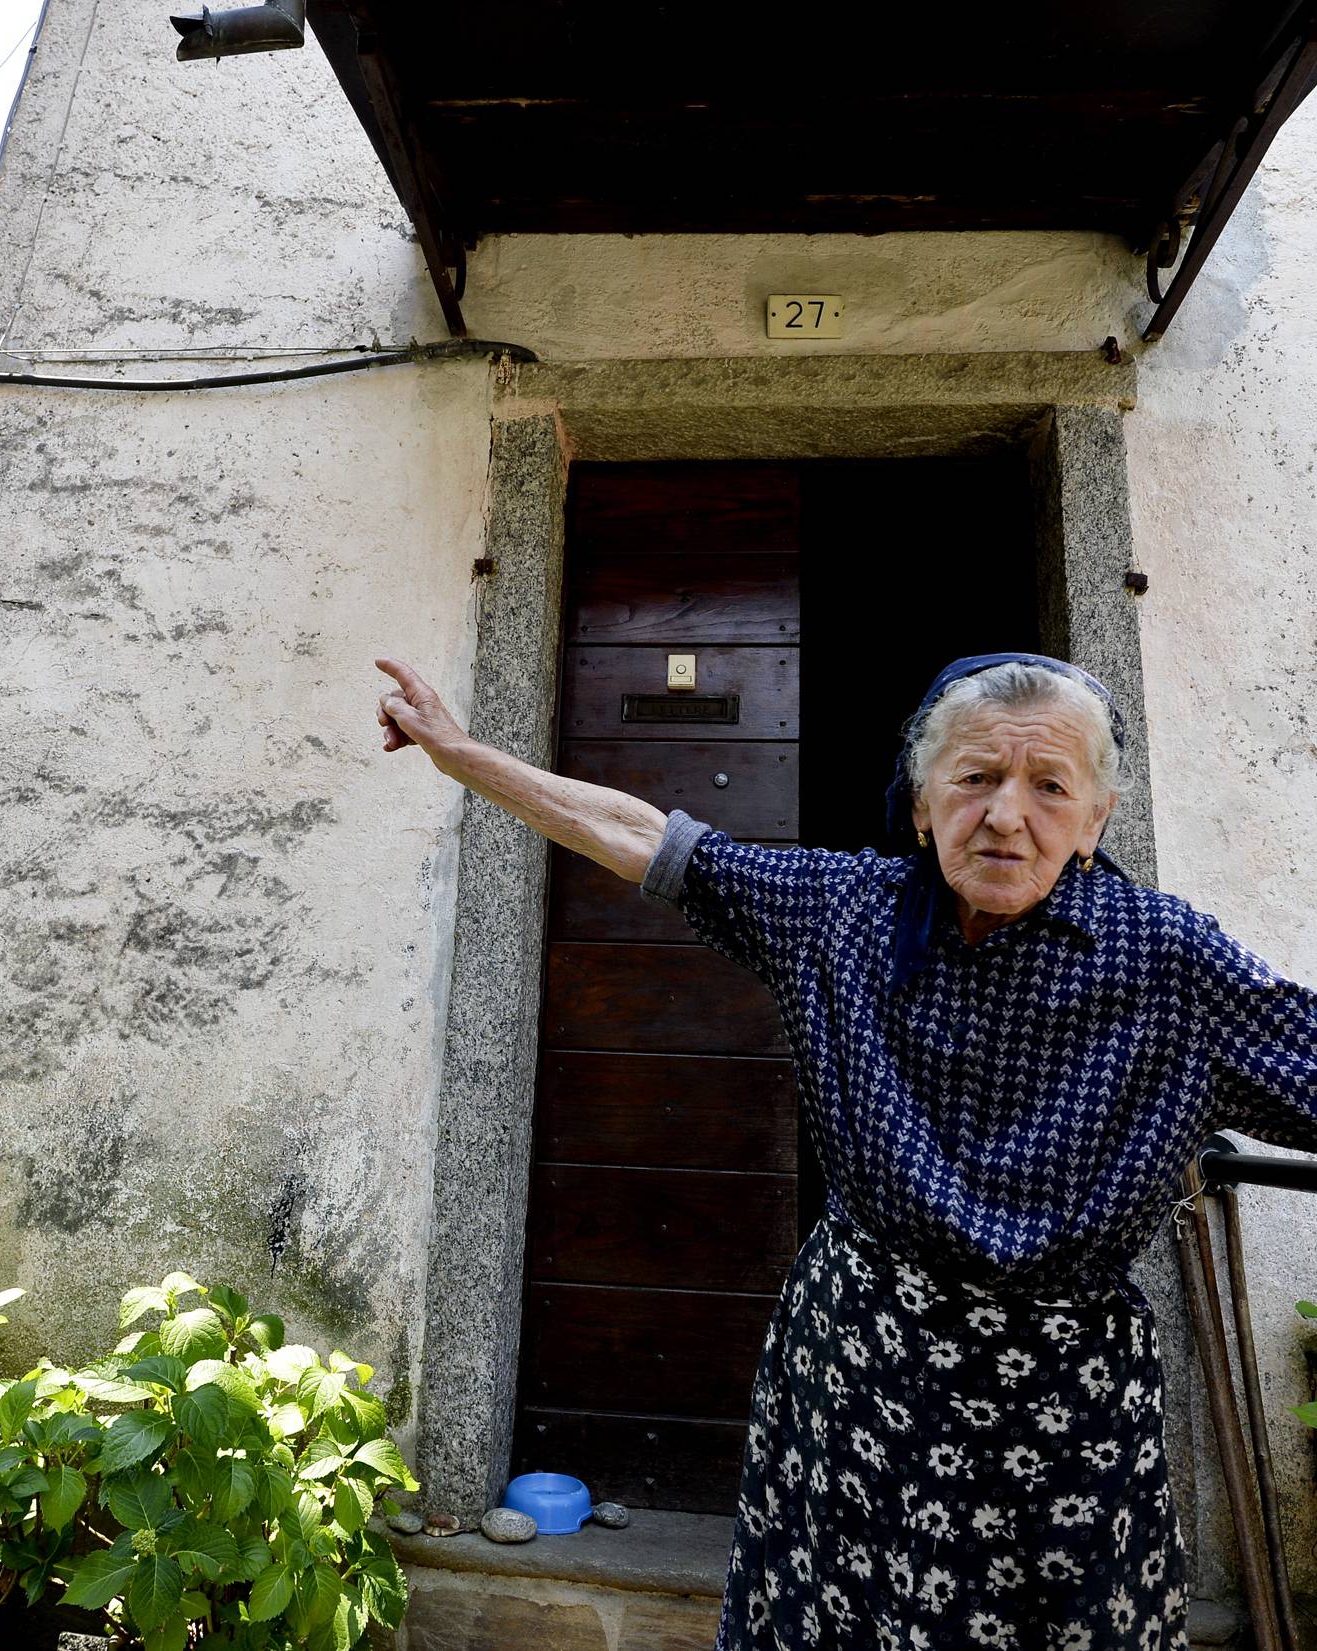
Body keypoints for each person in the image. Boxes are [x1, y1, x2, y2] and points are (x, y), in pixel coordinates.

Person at [373, 650, 1317, 1651]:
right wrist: (464, 755)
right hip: (859, 1379)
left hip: (1061, 1424)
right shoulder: (843, 913)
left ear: (1096, 820)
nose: (1006, 815)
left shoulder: (1171, 961)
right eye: (976, 778)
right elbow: (643, 836)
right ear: (920, 803)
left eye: (1049, 786)